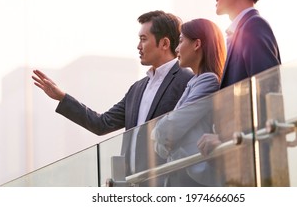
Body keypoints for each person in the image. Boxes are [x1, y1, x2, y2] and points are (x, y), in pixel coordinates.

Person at [32, 10, 194, 185]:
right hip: (132, 187)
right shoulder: (137, 89)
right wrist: (62, 98)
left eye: (143, 39)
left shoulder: (186, 79)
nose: (138, 46)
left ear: (164, 43)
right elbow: (102, 123)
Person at [197, 0, 281, 156]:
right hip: (240, 153)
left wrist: (225, 137)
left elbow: (267, 92)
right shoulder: (239, 33)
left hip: (253, 157)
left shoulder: (253, 27)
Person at [151, 18, 226, 186]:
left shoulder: (209, 81)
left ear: (197, 44)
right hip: (183, 173)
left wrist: (157, 134)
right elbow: (163, 144)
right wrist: (163, 136)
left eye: (180, 41)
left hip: (198, 179)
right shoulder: (194, 82)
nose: (177, 49)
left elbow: (173, 125)